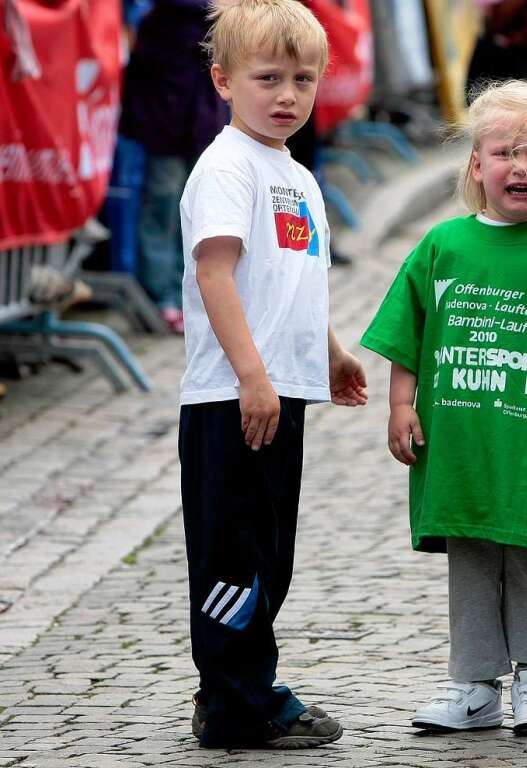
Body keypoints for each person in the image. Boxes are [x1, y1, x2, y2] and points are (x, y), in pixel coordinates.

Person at [360, 80, 527, 736]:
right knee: (471, 562)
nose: (521, 167)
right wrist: (399, 403)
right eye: (506, 152)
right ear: (477, 164)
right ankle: (474, 684)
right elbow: (406, 333)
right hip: (460, 453)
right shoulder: (442, 247)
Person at [177, 0, 367, 750]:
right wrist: (251, 375)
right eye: (267, 78)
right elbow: (217, 274)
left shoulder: (294, 173)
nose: (286, 95)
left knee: (268, 553)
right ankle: (237, 701)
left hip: (281, 390)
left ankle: (236, 687)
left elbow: (292, 281)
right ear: (224, 81)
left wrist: (329, 351)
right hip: (234, 397)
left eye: (302, 79)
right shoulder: (226, 167)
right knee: (233, 554)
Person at [119, 0, 229, 332]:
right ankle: (164, 297)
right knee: (167, 207)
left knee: (191, 209)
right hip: (171, 125)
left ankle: (187, 297)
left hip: (198, 125)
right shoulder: (172, 22)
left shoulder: (217, 21)